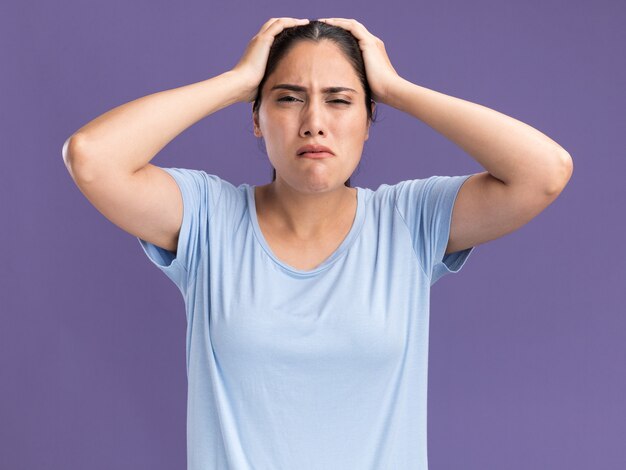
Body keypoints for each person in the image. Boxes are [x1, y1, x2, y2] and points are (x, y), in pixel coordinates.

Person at [63, 17, 573, 470]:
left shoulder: (408, 220)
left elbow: (545, 172)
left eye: (340, 99)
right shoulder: (207, 217)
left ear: (369, 120)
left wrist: (396, 89)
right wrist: (235, 81)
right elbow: (91, 157)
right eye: (288, 97)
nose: (314, 121)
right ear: (257, 118)